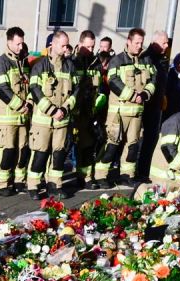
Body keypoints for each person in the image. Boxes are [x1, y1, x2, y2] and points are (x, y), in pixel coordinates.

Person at [93, 28, 155, 188]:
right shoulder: (117, 60)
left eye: (141, 43)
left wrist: (145, 94)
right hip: (118, 112)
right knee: (111, 145)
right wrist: (132, 95)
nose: (139, 46)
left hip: (137, 113)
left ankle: (127, 175)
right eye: (136, 43)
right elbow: (113, 81)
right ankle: (100, 175)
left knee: (132, 145)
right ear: (128, 41)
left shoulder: (146, 60)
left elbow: (153, 80)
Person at [26, 30, 76, 199]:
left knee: (59, 155)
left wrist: (65, 109)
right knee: (40, 154)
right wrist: (52, 110)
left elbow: (76, 92)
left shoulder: (69, 66)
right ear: (52, 45)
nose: (66, 48)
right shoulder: (39, 65)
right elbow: (35, 90)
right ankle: (33, 186)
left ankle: (55, 185)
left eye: (67, 45)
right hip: (43, 121)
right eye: (63, 45)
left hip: (62, 121)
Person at [0, 27, 31, 196]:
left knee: (23, 150)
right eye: (17, 44)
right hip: (8, 117)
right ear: (9, 42)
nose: (20, 47)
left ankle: (19, 181)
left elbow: (30, 86)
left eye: (22, 43)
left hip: (23, 117)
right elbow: (1, 88)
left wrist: (28, 103)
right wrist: (20, 105)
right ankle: (1, 184)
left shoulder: (23, 62)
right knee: (7, 151)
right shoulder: (1, 62)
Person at [136, 30, 170, 180]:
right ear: (155, 42)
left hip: (156, 105)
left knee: (151, 139)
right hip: (146, 105)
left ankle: (144, 170)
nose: (167, 45)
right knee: (142, 140)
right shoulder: (146, 58)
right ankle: (139, 171)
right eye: (164, 43)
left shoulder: (162, 59)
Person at [73, 32, 102, 186]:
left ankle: (85, 177)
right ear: (80, 44)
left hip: (88, 112)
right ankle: (52, 182)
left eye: (92, 46)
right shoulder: (72, 62)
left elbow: (99, 88)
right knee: (62, 147)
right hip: (72, 112)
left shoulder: (96, 63)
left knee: (87, 145)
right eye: (88, 46)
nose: (91, 50)